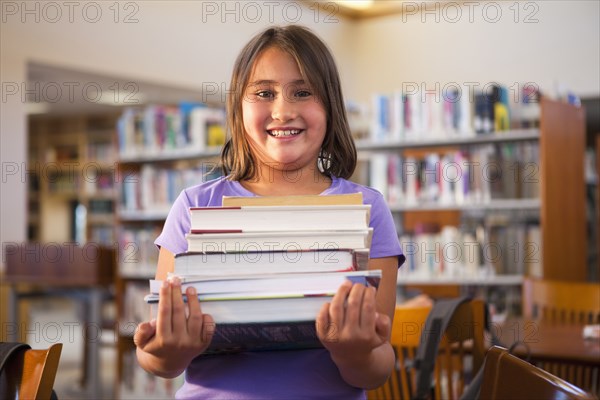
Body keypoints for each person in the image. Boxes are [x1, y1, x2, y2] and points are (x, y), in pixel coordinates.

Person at [134, 25, 405, 399]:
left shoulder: (368, 209)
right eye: (264, 93)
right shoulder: (194, 207)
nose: (283, 110)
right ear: (238, 108)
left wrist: (352, 352)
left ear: (329, 106)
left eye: (303, 92)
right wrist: (167, 353)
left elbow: (377, 367)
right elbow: (156, 360)